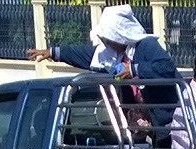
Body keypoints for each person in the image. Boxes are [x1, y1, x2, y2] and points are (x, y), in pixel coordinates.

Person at [30, 4, 180, 133]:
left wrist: (134, 70)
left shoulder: (146, 45)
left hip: (170, 121)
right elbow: (86, 55)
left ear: (118, 35)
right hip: (151, 125)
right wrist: (53, 52)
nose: (106, 43)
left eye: (108, 39)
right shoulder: (114, 56)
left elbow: (166, 67)